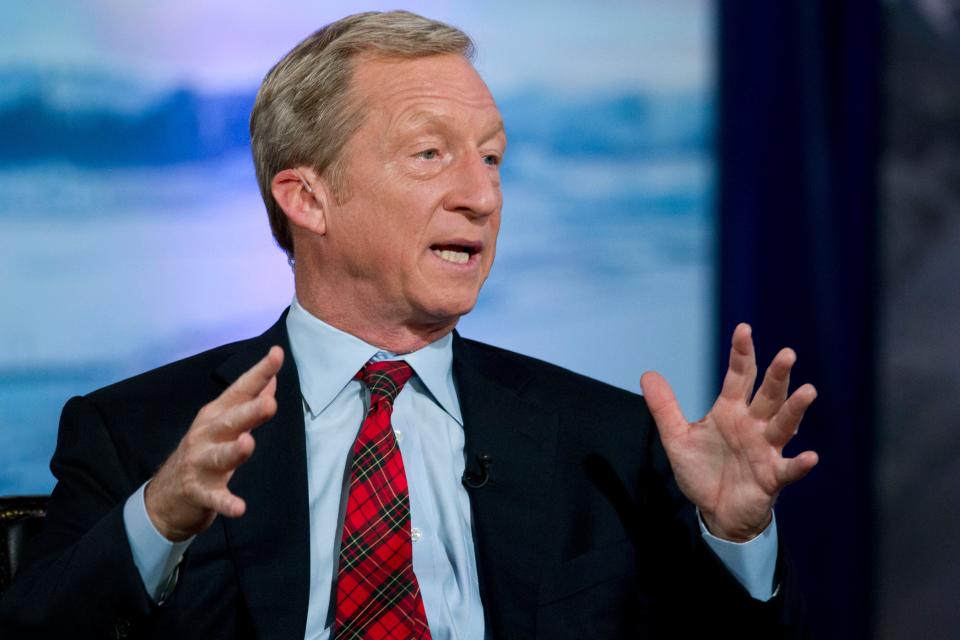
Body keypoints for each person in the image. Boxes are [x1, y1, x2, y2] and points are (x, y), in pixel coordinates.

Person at [0, 11, 817, 639]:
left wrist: (733, 537)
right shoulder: (138, 433)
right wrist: (159, 520)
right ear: (307, 198)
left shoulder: (605, 440)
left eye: (492, 158)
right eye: (431, 155)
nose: (483, 196)